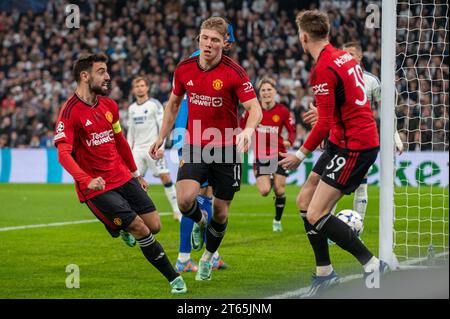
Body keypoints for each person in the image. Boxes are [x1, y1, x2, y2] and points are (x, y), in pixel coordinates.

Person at [54, 53, 187, 294]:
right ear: (85, 76)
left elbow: (119, 140)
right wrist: (86, 180)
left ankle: (117, 226)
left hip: (122, 176)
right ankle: (174, 278)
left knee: (155, 225)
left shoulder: (110, 106)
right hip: (97, 186)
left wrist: (136, 173)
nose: (108, 76)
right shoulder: (70, 112)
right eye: (102, 71)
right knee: (139, 227)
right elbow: (63, 153)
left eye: (107, 71)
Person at [279, 10, 388, 297]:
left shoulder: (323, 68)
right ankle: (325, 272)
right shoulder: (342, 56)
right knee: (304, 202)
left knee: (316, 213)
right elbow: (340, 107)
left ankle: (371, 264)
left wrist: (299, 155)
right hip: (342, 140)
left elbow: (324, 122)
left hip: (355, 144)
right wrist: (328, 115)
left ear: (303, 37)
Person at [149, 16, 262, 281]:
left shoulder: (234, 72)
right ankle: (200, 222)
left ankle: (208, 258)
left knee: (221, 212)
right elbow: (173, 104)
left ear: (225, 43)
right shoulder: (184, 69)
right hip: (195, 144)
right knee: (186, 198)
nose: (208, 44)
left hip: (227, 149)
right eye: (204, 38)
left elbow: (254, 109)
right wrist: (161, 136)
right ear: (198, 39)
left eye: (214, 40)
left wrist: (247, 130)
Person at [303, 41, 404, 225]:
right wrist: (318, 133)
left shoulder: (371, 81)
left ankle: (358, 229)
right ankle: (328, 226)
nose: (346, 57)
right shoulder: (335, 75)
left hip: (360, 138)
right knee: (330, 184)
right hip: (337, 139)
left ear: (360, 57)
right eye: (345, 53)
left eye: (351, 54)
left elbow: (387, 112)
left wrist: (395, 137)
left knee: (359, 184)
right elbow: (326, 112)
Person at [173, 46, 233, 273]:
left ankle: (212, 254)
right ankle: (183, 257)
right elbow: (181, 103)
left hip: (204, 136)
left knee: (208, 195)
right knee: (195, 197)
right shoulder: (200, 62)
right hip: (192, 136)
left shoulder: (211, 61)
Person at [241, 77, 296, 232]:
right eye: (263, 90)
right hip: (260, 156)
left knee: (280, 189)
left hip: (279, 154)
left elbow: (292, 130)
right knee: (265, 191)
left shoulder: (283, 111)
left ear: (275, 92)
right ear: (259, 93)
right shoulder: (253, 111)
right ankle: (270, 179)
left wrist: (289, 141)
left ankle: (277, 221)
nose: (266, 93)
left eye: (269, 89)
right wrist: (243, 139)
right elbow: (240, 125)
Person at [127, 76, 182, 222]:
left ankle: (177, 211)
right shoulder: (131, 109)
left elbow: (162, 125)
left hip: (152, 148)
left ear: (147, 88)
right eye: (137, 86)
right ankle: (139, 214)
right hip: (137, 150)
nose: (139, 88)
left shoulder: (154, 105)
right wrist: (128, 151)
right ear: (133, 89)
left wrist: (161, 146)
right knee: (134, 183)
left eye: (142, 85)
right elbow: (130, 132)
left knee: (165, 177)